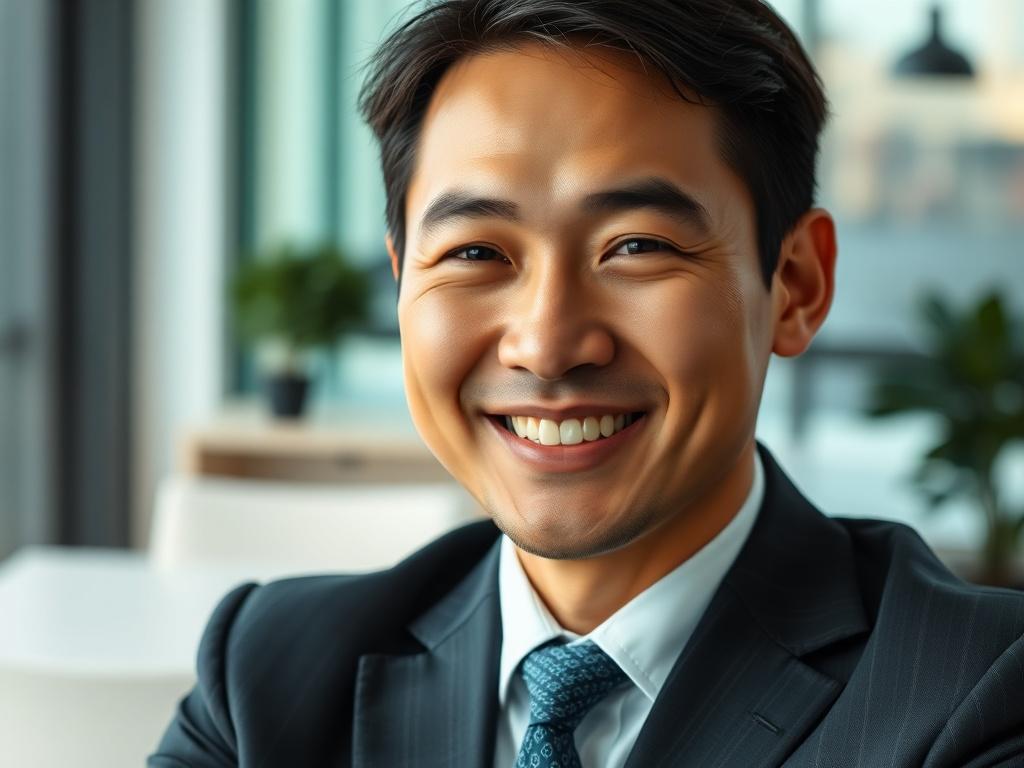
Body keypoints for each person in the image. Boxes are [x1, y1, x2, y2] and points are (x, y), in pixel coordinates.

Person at [150, 1, 1024, 766]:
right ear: (403, 279)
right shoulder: (268, 674)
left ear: (794, 284)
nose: (547, 344)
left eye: (636, 246)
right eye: (475, 253)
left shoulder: (976, 695)